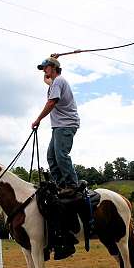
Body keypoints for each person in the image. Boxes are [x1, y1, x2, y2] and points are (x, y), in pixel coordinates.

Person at [32, 56, 80, 197]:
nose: (44, 71)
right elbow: (46, 80)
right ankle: (61, 186)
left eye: (45, 67)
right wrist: (53, 58)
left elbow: (51, 102)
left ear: (53, 68)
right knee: (51, 157)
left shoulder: (59, 81)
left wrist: (38, 120)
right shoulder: (55, 82)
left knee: (60, 155)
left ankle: (72, 185)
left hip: (66, 124)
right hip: (60, 126)